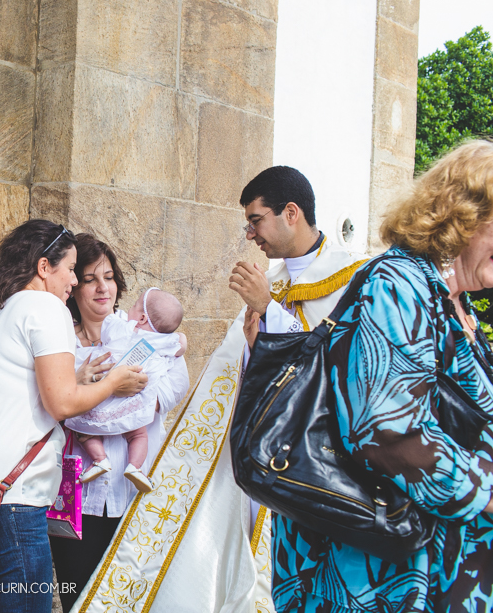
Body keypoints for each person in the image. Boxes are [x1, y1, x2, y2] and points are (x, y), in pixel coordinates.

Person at [75, 167, 368, 613]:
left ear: (291, 213)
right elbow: (236, 374)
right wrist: (257, 338)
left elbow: (344, 368)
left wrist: (269, 312)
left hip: (312, 465)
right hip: (254, 464)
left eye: (256, 220)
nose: (250, 234)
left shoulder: (354, 280)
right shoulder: (274, 282)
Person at [273, 140, 493, 612]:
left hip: (450, 562)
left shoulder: (459, 305)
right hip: (387, 572)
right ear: (465, 214)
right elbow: (387, 432)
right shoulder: (397, 283)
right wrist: (486, 492)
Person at [0, 220, 148, 613]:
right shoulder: (44, 306)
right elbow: (62, 404)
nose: (75, 282)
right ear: (44, 267)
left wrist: (77, 378)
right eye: (71, 269)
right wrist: (113, 382)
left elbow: (14, 392)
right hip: (17, 495)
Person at [49, 234, 189, 612]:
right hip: (77, 495)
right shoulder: (60, 342)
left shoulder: (145, 339)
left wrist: (131, 398)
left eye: (109, 277)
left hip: (135, 495)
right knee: (80, 593)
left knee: (134, 598)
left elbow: (175, 384)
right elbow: (52, 400)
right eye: (91, 278)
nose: (102, 287)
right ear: (74, 284)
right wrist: (86, 382)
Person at [68, 287, 187, 493]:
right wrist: (179, 340)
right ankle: (135, 467)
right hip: (133, 403)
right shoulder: (162, 340)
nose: (102, 287)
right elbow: (178, 347)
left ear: (141, 318)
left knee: (83, 429)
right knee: (139, 435)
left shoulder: (122, 327)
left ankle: (99, 459)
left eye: (134, 305)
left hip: (99, 398)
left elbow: (175, 389)